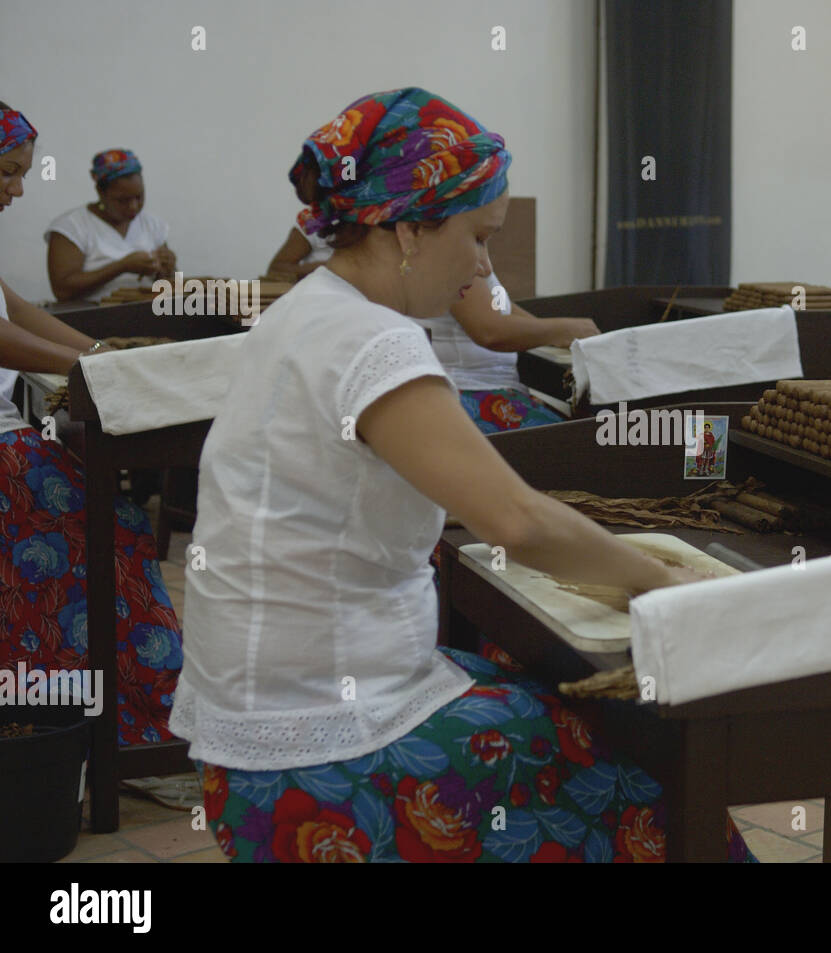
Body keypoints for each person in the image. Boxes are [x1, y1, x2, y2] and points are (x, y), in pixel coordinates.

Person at [170, 88, 752, 863]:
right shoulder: (371, 340)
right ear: (409, 225)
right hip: (316, 753)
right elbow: (516, 519)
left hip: (256, 724)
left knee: (545, 691)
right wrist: (659, 580)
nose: (484, 264)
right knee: (643, 762)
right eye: (478, 237)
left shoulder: (306, 311)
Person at [0, 104, 182, 745]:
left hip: (11, 439)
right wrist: (93, 361)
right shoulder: (70, 230)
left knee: (117, 523)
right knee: (112, 531)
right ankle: (123, 729)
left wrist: (104, 355)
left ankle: (92, 723)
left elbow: (15, 310)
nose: (17, 189)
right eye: (7, 173)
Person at [410, 272, 598, 433]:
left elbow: (501, 308)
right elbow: (490, 331)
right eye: (478, 239)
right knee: (581, 442)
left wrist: (554, 334)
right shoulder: (450, 258)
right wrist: (563, 330)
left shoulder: (460, 252)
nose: (485, 266)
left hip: (480, 386)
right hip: (471, 392)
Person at [46, 149, 175, 301]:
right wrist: (122, 267)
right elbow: (62, 290)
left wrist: (167, 268)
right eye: (123, 200)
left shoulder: (152, 225)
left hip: (146, 313)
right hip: (90, 318)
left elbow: (166, 285)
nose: (134, 206)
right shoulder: (72, 227)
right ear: (100, 192)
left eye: (139, 197)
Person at [265, 216, 332, 281]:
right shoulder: (313, 221)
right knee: (256, 288)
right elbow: (275, 270)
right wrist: (328, 268)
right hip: (315, 288)